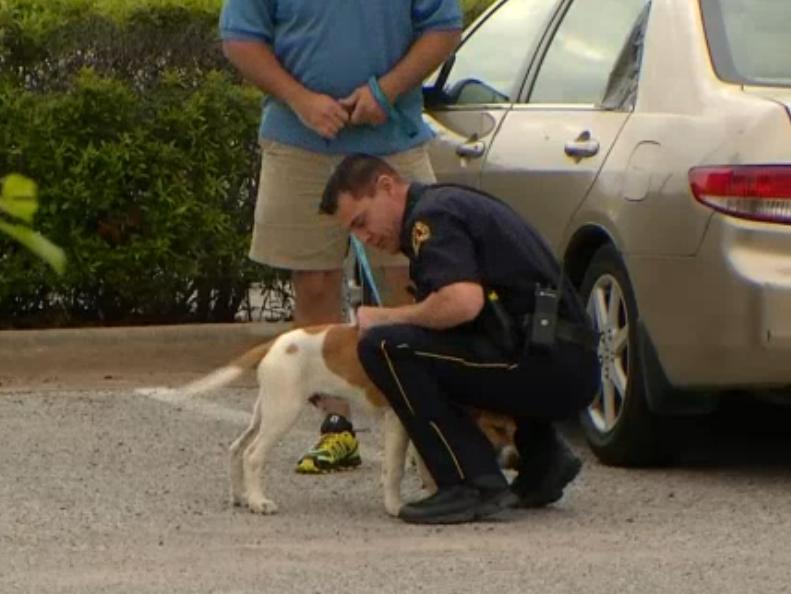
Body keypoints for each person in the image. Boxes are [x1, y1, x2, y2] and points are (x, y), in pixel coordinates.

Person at [218, 0, 462, 473]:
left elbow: (444, 26)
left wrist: (385, 92)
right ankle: (336, 428)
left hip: (394, 139)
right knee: (313, 282)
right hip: (299, 140)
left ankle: (419, 424)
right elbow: (241, 39)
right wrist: (301, 100)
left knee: (410, 281)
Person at [320, 154, 601, 524]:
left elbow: (463, 303)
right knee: (437, 342)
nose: (364, 237)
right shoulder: (448, 203)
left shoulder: (430, 219)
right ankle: (543, 461)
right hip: (563, 360)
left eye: (361, 221)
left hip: (551, 364)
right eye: (353, 232)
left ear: (387, 187)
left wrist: (384, 317)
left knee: (386, 346)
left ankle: (470, 482)